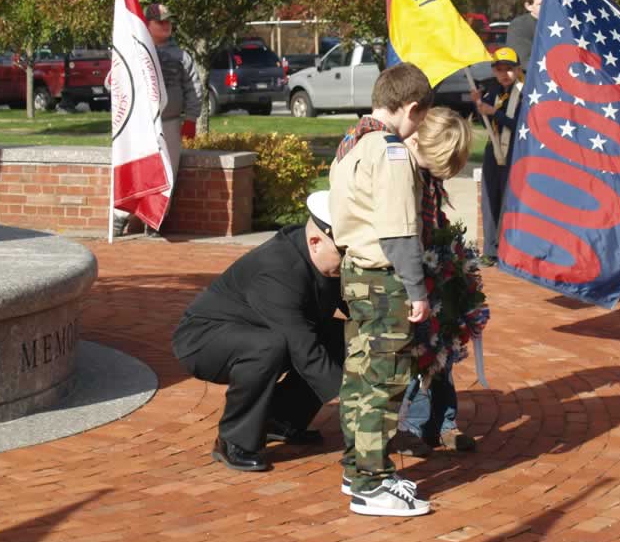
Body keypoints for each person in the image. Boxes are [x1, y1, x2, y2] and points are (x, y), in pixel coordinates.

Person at [171, 191, 345, 472]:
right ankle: (233, 441)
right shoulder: (278, 269)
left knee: (341, 336)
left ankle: (281, 420)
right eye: (344, 252)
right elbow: (302, 344)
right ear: (315, 241)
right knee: (269, 347)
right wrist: (350, 398)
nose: (348, 261)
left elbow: (353, 307)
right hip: (204, 339)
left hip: (262, 332)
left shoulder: (323, 258)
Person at [329, 62, 434, 517]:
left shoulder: (351, 141)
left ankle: (359, 468)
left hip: (356, 273)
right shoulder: (389, 151)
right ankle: (372, 485)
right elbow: (399, 230)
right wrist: (417, 289)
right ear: (411, 107)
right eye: (421, 118)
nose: (419, 128)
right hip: (384, 278)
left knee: (359, 377)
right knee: (384, 382)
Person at [390, 107, 476, 456]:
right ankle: (411, 425)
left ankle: (444, 423)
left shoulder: (429, 176)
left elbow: (433, 218)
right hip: (412, 275)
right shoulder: (404, 171)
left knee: (444, 349)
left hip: (434, 268)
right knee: (419, 353)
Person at [113, 3, 203, 237]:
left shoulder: (182, 56)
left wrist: (191, 118)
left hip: (169, 122)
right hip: (138, 124)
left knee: (166, 172)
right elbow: (115, 81)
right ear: (147, 24)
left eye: (168, 21)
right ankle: (120, 216)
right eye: (160, 21)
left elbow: (193, 88)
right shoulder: (133, 51)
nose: (166, 25)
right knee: (134, 168)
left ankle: (155, 219)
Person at [470, 46, 524, 265]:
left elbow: (522, 125)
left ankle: (507, 250)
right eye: (499, 69)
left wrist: (496, 113)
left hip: (514, 151)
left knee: (508, 201)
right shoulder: (492, 90)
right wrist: (478, 104)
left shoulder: (525, 92)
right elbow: (480, 118)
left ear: (518, 69)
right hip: (493, 150)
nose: (504, 74)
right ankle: (490, 250)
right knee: (490, 198)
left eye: (509, 69)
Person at [505, 0, 543, 68]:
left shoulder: (563, 23)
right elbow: (523, 62)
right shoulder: (519, 26)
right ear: (528, 6)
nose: (547, 7)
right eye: (541, 4)